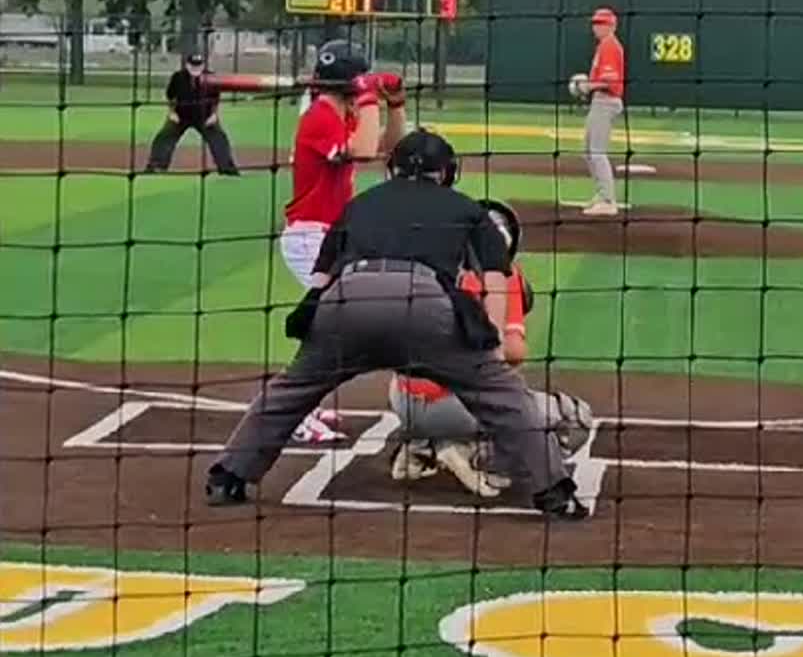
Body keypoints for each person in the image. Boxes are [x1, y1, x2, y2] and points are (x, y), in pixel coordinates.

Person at [205, 128, 586, 520]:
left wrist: (314, 343)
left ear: (392, 169)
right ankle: (556, 494)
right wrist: (487, 347)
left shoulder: (361, 205)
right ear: (448, 173)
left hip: (347, 304)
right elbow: (495, 279)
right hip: (424, 307)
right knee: (505, 397)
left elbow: (320, 282)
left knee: (291, 391)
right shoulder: (466, 208)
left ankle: (227, 475)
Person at [386, 198, 594, 497]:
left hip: (401, 397)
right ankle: (478, 459)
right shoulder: (504, 277)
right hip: (451, 407)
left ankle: (422, 446)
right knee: (574, 418)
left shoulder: (426, 267)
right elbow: (512, 352)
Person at [280, 40, 408, 444]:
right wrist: (370, 95)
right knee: (328, 326)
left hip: (330, 238)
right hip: (309, 237)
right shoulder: (319, 116)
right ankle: (294, 410)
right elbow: (366, 149)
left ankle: (305, 404)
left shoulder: (341, 113)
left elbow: (388, 148)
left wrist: (396, 106)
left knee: (334, 325)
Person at [144, 51, 240, 175]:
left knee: (219, 138)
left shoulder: (210, 78)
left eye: (198, 65)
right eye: (193, 65)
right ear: (187, 65)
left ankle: (227, 169)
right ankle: (156, 167)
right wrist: (172, 113)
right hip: (181, 115)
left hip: (204, 116)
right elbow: (171, 97)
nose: (196, 68)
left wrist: (214, 115)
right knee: (164, 137)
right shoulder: (178, 77)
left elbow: (215, 99)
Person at [579, 6, 626, 217]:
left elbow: (609, 80)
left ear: (612, 26)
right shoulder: (604, 46)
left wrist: (587, 86)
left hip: (606, 101)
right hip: (600, 101)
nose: (596, 27)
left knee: (597, 151)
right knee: (588, 150)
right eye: (595, 23)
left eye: (601, 23)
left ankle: (608, 200)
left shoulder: (610, 46)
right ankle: (602, 194)